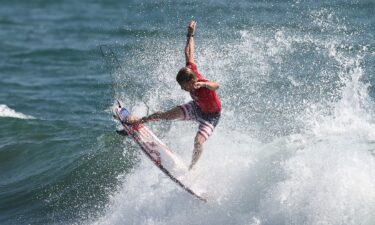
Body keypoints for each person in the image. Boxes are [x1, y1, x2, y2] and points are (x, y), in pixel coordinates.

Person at [128, 21, 222, 170]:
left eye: (183, 86)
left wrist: (204, 84)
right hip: (196, 108)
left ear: (191, 81)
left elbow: (216, 86)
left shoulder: (202, 84)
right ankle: (138, 121)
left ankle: (192, 168)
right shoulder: (190, 70)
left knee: (198, 142)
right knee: (165, 115)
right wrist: (190, 34)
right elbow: (189, 53)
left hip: (211, 116)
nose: (182, 89)